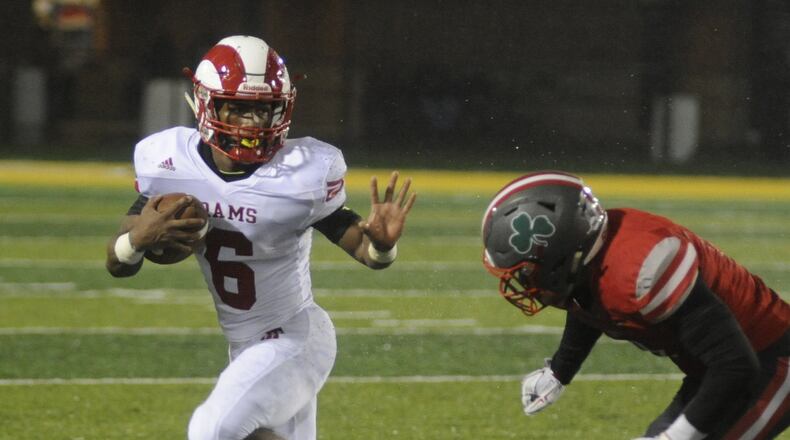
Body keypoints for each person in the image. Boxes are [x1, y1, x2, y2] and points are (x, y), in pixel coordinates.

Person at [105, 35, 416, 440]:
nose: (253, 124)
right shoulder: (169, 163)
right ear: (205, 104)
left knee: (212, 428)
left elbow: (366, 251)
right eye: (239, 109)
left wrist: (383, 244)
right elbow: (117, 264)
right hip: (244, 345)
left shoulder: (301, 173)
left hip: (295, 337)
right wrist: (138, 240)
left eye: (264, 111)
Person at [481, 171, 789, 440]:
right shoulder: (590, 260)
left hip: (771, 363)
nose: (525, 285)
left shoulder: (642, 269)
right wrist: (560, 372)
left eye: (527, 273)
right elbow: (587, 303)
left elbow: (736, 365)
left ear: (562, 256)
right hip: (716, 371)